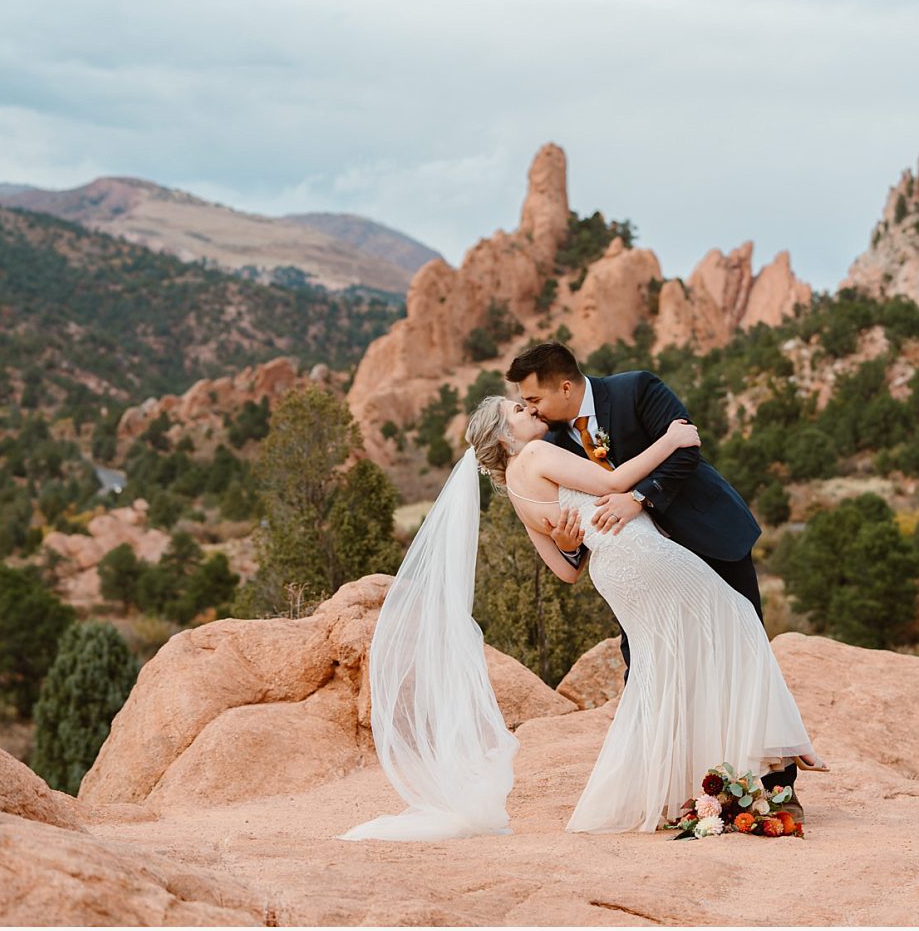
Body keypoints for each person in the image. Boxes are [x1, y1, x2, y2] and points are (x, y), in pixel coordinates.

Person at [337, 394, 822, 840]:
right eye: (519, 413)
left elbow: (565, 571)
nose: (532, 412)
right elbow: (613, 482)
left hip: (614, 573)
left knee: (663, 667)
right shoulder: (535, 456)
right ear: (506, 437)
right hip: (640, 555)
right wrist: (670, 440)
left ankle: (675, 788)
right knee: (736, 615)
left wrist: (572, 543)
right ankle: (779, 743)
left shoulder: (513, 488)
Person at [505, 341, 809, 799]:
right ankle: (673, 787)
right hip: (643, 566)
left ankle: (777, 790)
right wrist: (570, 545)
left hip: (708, 534)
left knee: (741, 649)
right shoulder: (546, 443)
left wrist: (639, 498)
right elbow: (577, 522)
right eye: (525, 405)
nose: (532, 409)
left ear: (564, 386)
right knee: (648, 666)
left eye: (535, 399)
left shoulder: (635, 389)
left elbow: (685, 450)